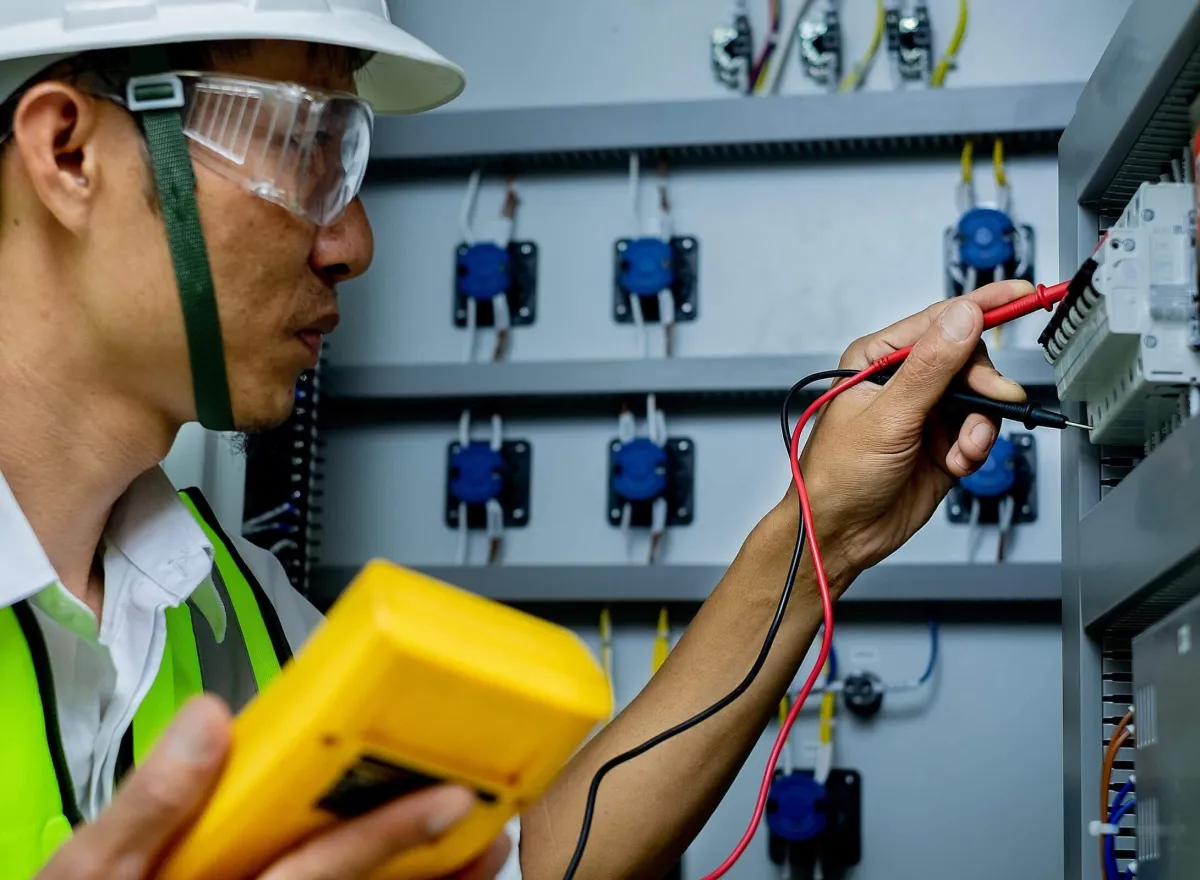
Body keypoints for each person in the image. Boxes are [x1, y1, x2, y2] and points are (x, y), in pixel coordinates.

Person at [0, 3, 1031, 879]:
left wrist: (819, 539)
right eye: (302, 145)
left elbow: (535, 862)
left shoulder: (222, 604)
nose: (352, 242)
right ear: (70, 153)